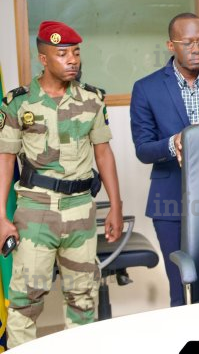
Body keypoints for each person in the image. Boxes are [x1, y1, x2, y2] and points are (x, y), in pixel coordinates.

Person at [0, 21, 123, 348]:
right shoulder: (18, 103)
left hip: (81, 209)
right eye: (63, 54)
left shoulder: (92, 99)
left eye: (76, 53)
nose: (72, 60)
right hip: (35, 211)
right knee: (26, 302)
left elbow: (104, 153)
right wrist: (1, 217)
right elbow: (5, 160)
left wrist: (116, 205)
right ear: (43, 59)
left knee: (83, 299)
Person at [130, 13, 199, 306]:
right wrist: (173, 143)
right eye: (188, 43)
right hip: (170, 203)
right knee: (182, 285)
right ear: (171, 45)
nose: (196, 49)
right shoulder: (147, 88)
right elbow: (143, 149)